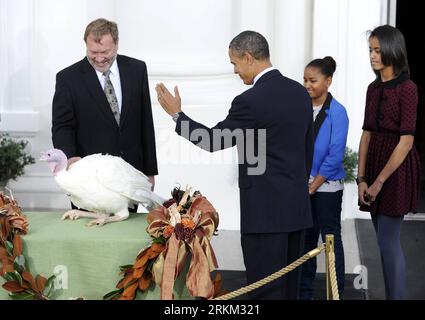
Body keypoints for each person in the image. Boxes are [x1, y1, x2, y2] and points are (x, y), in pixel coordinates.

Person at [155, 30, 313, 299]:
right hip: (297, 210)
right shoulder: (299, 92)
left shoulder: (250, 101)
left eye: (234, 63)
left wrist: (177, 116)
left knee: (264, 291)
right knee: (289, 292)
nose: (235, 71)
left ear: (249, 58)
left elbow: (212, 140)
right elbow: (307, 149)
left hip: (264, 216)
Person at [52, 18, 158, 196]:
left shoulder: (137, 69)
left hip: (131, 176)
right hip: (88, 179)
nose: (99, 58)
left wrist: (149, 170)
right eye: (93, 52)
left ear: (116, 44)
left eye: (105, 52)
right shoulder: (68, 79)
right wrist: (68, 160)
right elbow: (62, 127)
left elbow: (145, 122)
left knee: (127, 223)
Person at [357, 25, 421, 300]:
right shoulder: (372, 88)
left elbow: (406, 141)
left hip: (396, 169)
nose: (372, 55)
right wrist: (361, 179)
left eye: (378, 50)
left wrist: (380, 181)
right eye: (370, 50)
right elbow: (366, 135)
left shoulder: (408, 89)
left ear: (392, 51)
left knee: (388, 242)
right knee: (383, 244)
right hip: (372, 167)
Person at [299, 56, 349, 300]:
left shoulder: (338, 112)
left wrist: (313, 186)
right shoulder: (299, 106)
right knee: (306, 243)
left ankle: (336, 292)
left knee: (331, 241)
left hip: (327, 190)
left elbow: (334, 155)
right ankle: (303, 293)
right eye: (305, 80)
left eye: (313, 81)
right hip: (303, 187)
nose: (307, 85)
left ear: (328, 81)